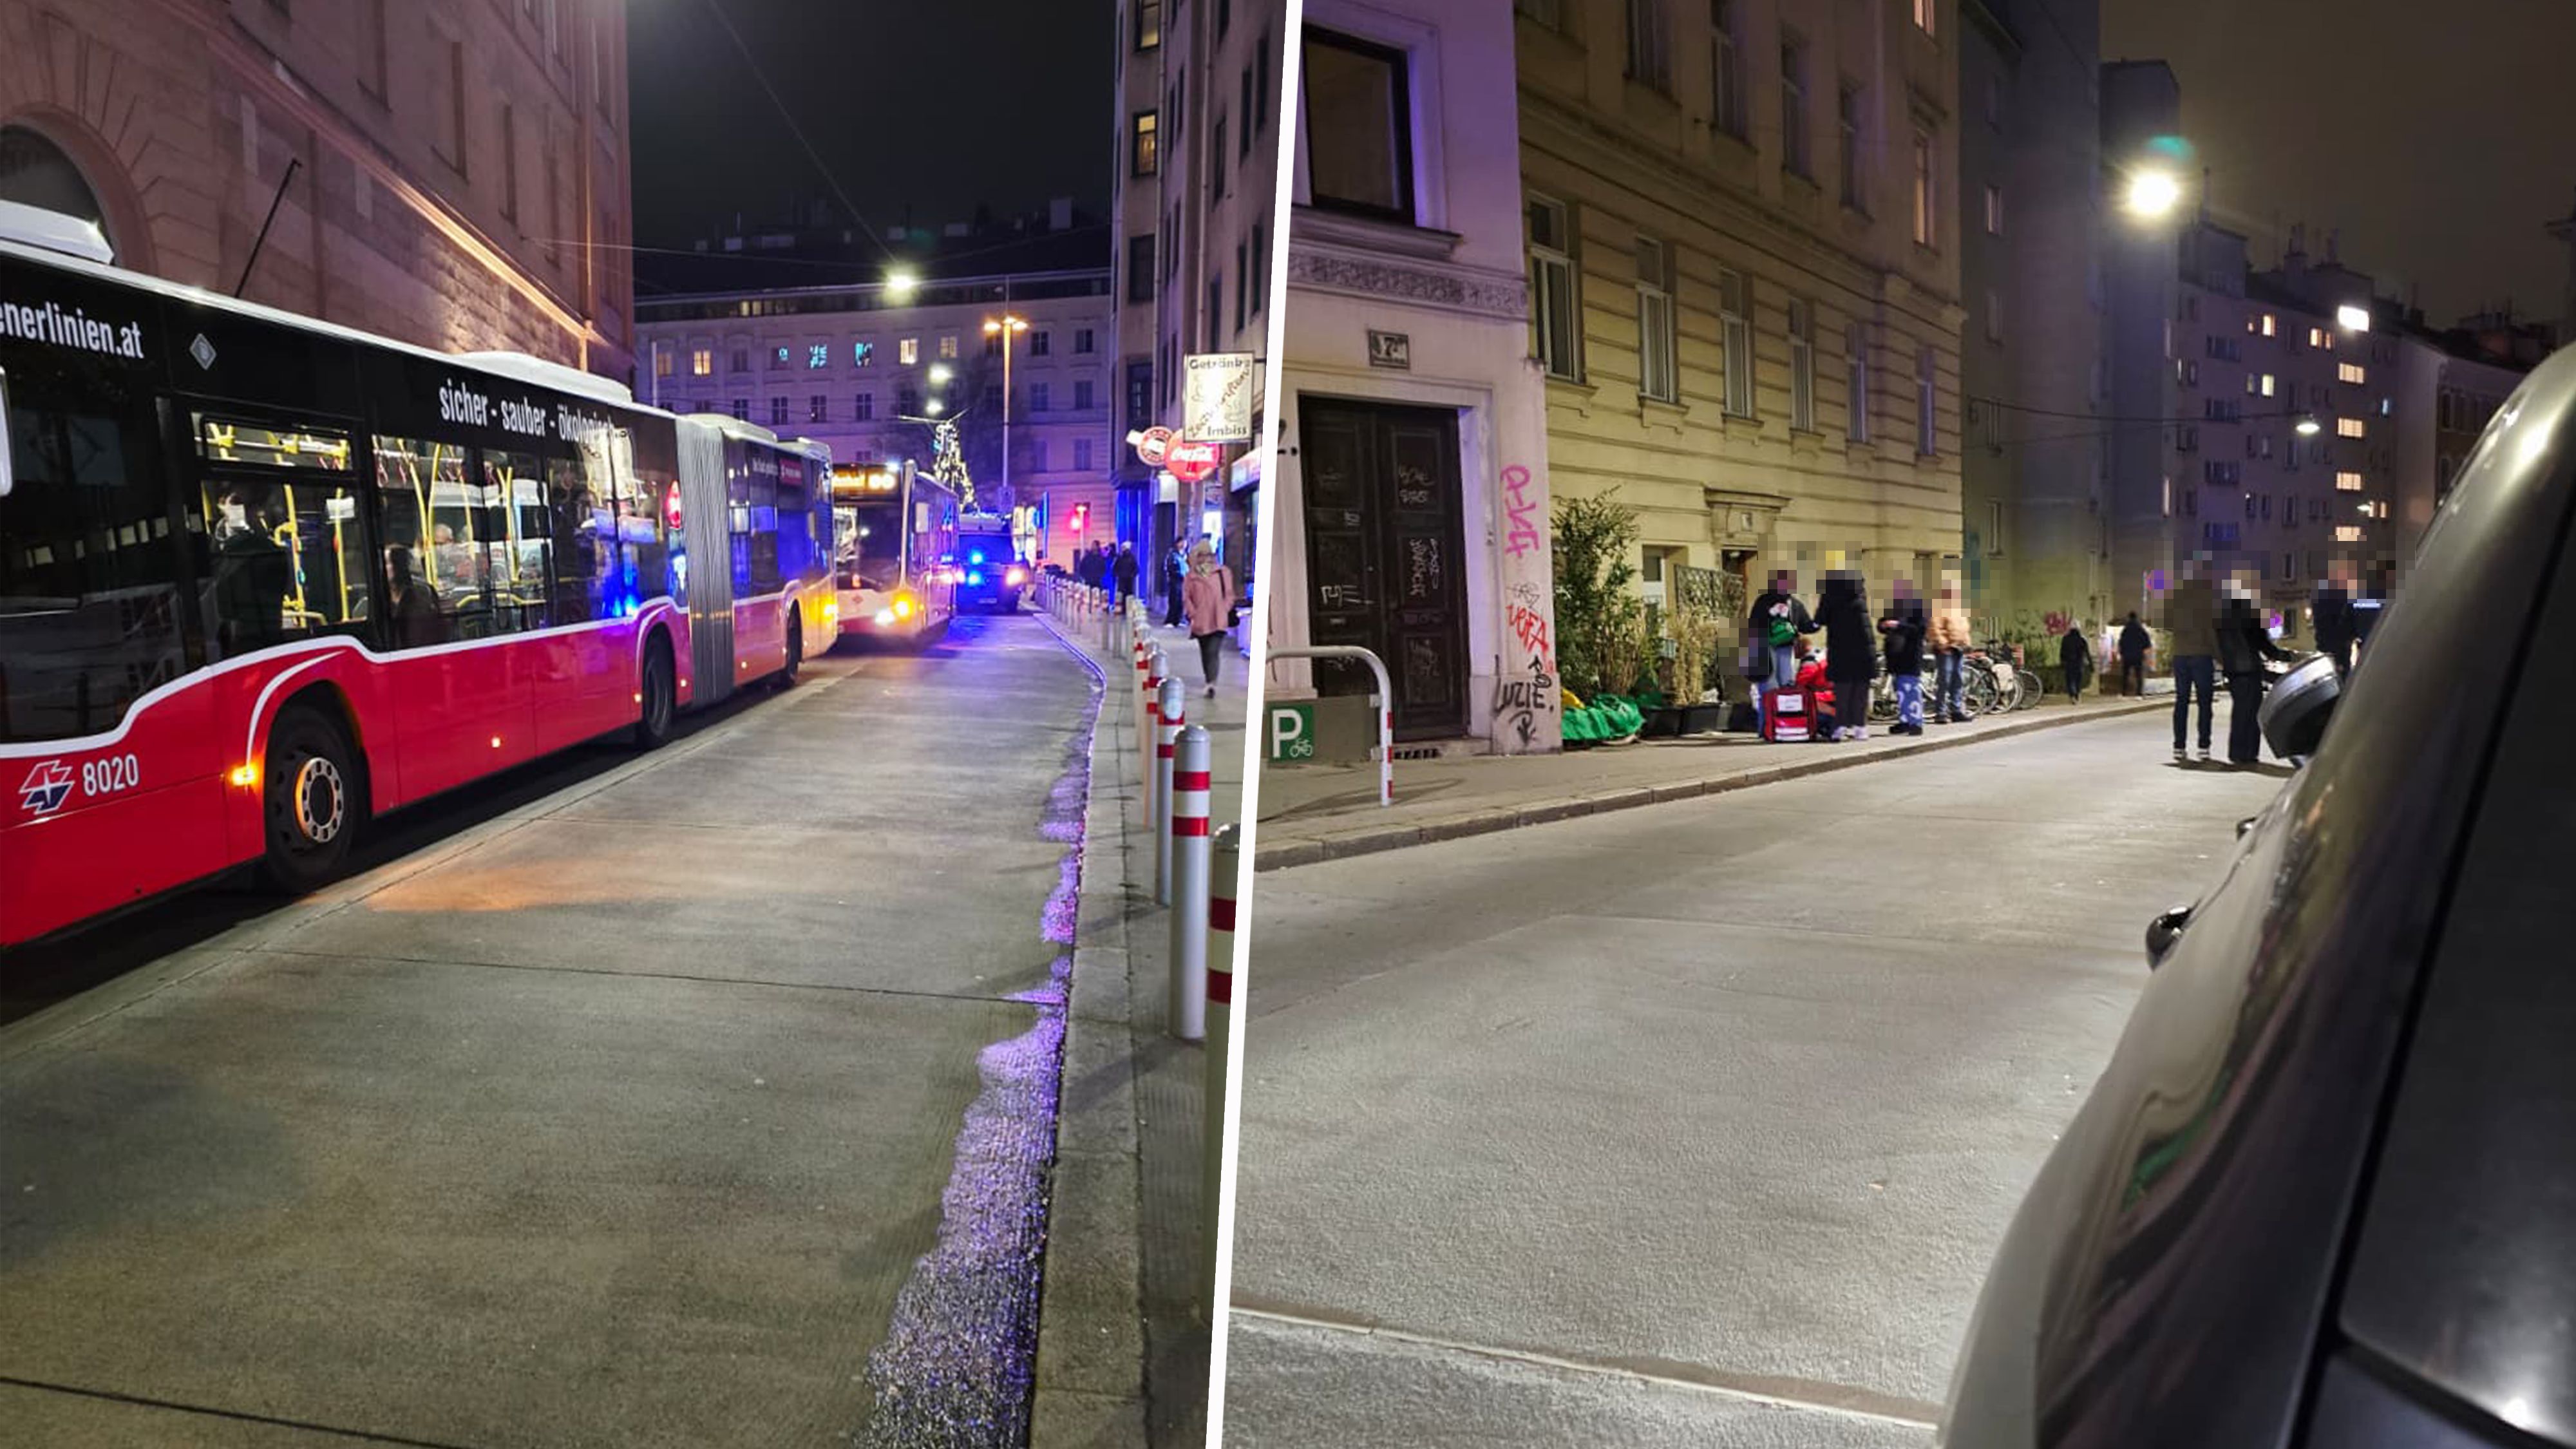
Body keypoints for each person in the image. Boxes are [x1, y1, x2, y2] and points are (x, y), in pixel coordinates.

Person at [2217, 585, 2295, 765]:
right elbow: (2261, 643)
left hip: (2233, 670)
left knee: (2239, 711)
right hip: (2249, 668)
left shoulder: (2222, 619)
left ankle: (2237, 752)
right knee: (2252, 712)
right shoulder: (2249, 616)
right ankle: (2249, 753)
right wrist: (2284, 655)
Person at [1745, 569, 1815, 736]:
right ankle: (1765, 728)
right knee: (1769, 689)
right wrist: (1770, 614)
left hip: (1786, 648)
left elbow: (1806, 624)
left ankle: (1783, 725)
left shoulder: (1795, 604)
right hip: (1766, 648)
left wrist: (1819, 622)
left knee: (1786, 686)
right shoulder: (1764, 601)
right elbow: (1754, 625)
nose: (1787, 587)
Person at [1813, 569, 1876, 741]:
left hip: (1841, 650)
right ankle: (1860, 728)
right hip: (1864, 651)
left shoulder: (1830, 598)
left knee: (1843, 692)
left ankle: (1840, 728)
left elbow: (1820, 619)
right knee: (1860, 692)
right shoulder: (1860, 598)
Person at [2166, 568, 2221, 761]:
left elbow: (2168, 626)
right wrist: (2220, 658)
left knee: (2182, 701)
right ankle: (2203, 746)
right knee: (2204, 703)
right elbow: (2211, 634)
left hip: (2180, 656)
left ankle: (2178, 746)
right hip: (2201, 656)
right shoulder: (2206, 605)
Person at [1181, 542, 1236, 697]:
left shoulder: (1222, 572)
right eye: (1201, 555)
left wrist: (1225, 608)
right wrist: (1193, 613)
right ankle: (1208, 679)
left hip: (1218, 619)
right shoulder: (1191, 576)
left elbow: (1230, 594)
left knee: (1213, 651)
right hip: (1200, 621)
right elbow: (1187, 598)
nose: (1205, 559)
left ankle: (1211, 683)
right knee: (1205, 652)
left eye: (1207, 555)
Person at [1879, 587, 1927, 735]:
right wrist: (1882, 625)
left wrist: (1898, 625)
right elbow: (1883, 623)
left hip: (1910, 656)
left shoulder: (1918, 610)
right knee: (1900, 690)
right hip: (1896, 657)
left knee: (1911, 690)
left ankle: (1916, 723)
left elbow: (1920, 630)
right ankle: (1905, 720)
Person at [1928, 585, 1971, 723]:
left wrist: (1967, 643)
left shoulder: (1959, 611)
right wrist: (1942, 644)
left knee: (1957, 681)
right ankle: (1940, 712)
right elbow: (1934, 628)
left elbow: (1965, 629)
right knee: (1944, 681)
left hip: (1958, 648)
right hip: (1946, 649)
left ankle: (1956, 711)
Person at [2311, 580, 2356, 679]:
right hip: (2338, 641)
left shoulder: (2322, 588)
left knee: (2336, 674)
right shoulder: (2338, 589)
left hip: (2329, 642)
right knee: (2341, 673)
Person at [2117, 612, 2152, 696]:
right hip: (2138, 655)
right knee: (2139, 674)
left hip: (2127, 656)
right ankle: (2139, 693)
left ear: (2129, 618)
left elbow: (2121, 642)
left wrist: (2122, 653)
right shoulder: (2141, 629)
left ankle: (2124, 692)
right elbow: (2147, 643)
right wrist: (2141, 649)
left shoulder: (2125, 630)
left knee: (2125, 674)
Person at [2060, 624, 2094, 705]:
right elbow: (2087, 653)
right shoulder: (2082, 640)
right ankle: (2077, 694)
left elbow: (2062, 652)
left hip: (2069, 663)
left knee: (2070, 680)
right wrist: (2091, 665)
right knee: (2078, 680)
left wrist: (2062, 662)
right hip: (2079, 663)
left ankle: (2072, 695)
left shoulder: (2065, 639)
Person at [1162, 543, 1187, 628]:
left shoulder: (1184, 555)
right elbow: (1170, 568)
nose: (1184, 545)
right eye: (1183, 543)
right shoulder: (1173, 555)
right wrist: (1176, 574)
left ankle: (1178, 619)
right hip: (1175, 580)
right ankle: (1170, 620)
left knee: (1180, 600)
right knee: (1174, 600)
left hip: (1182, 580)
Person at [1112, 542, 1140, 607]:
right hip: (1122, 579)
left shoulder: (1131, 558)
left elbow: (1136, 569)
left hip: (1128, 580)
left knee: (1128, 595)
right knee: (1121, 595)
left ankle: (1128, 608)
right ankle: (1121, 607)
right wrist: (1117, 574)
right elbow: (1114, 567)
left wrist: (1132, 575)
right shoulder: (1119, 558)